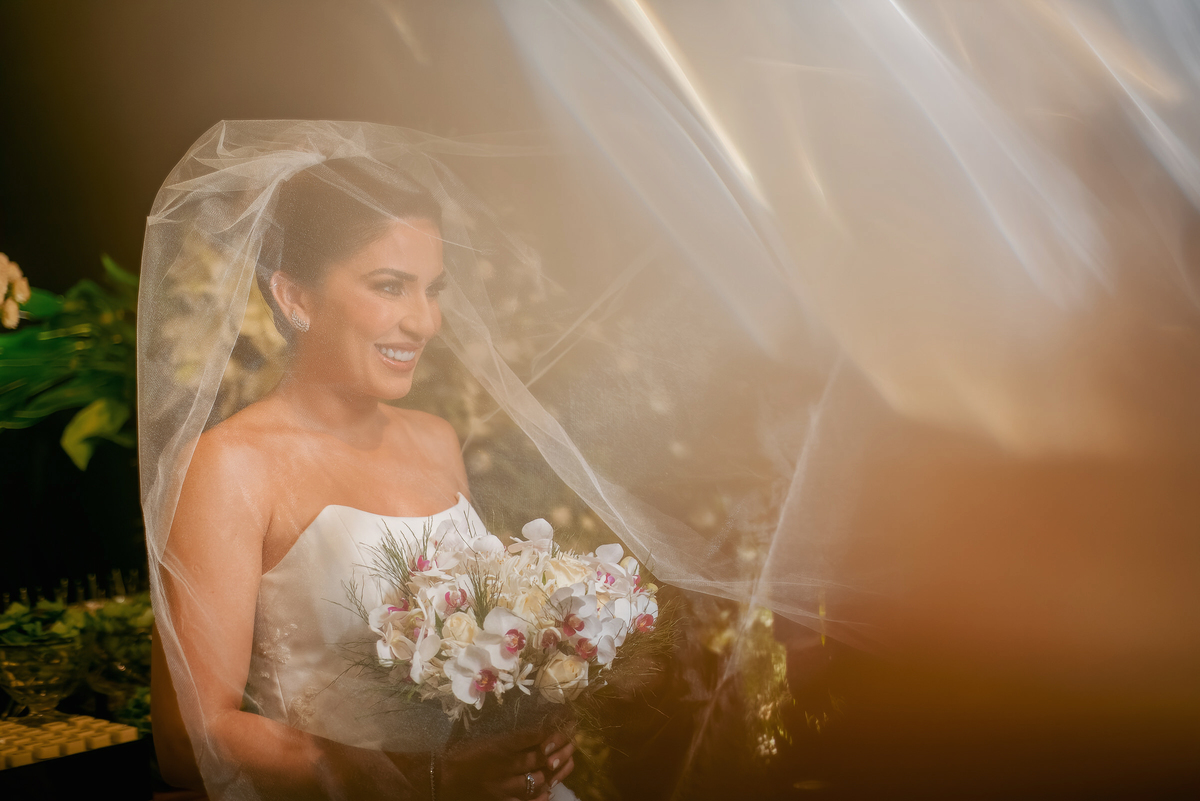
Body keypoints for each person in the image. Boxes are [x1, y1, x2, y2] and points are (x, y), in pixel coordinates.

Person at [144, 147, 576, 800]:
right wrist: (426, 780)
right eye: (390, 286)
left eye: (432, 289)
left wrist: (527, 726)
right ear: (295, 296)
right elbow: (191, 736)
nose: (424, 321)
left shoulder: (435, 439)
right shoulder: (229, 466)